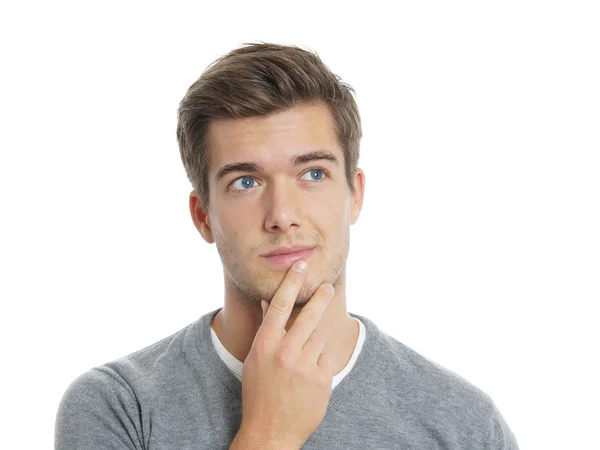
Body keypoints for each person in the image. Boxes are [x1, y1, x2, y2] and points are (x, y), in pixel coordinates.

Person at [55, 42, 519, 449]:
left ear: (354, 194)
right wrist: (270, 434)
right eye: (245, 181)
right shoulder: (118, 406)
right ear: (203, 217)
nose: (282, 215)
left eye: (313, 174)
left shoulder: (465, 425)